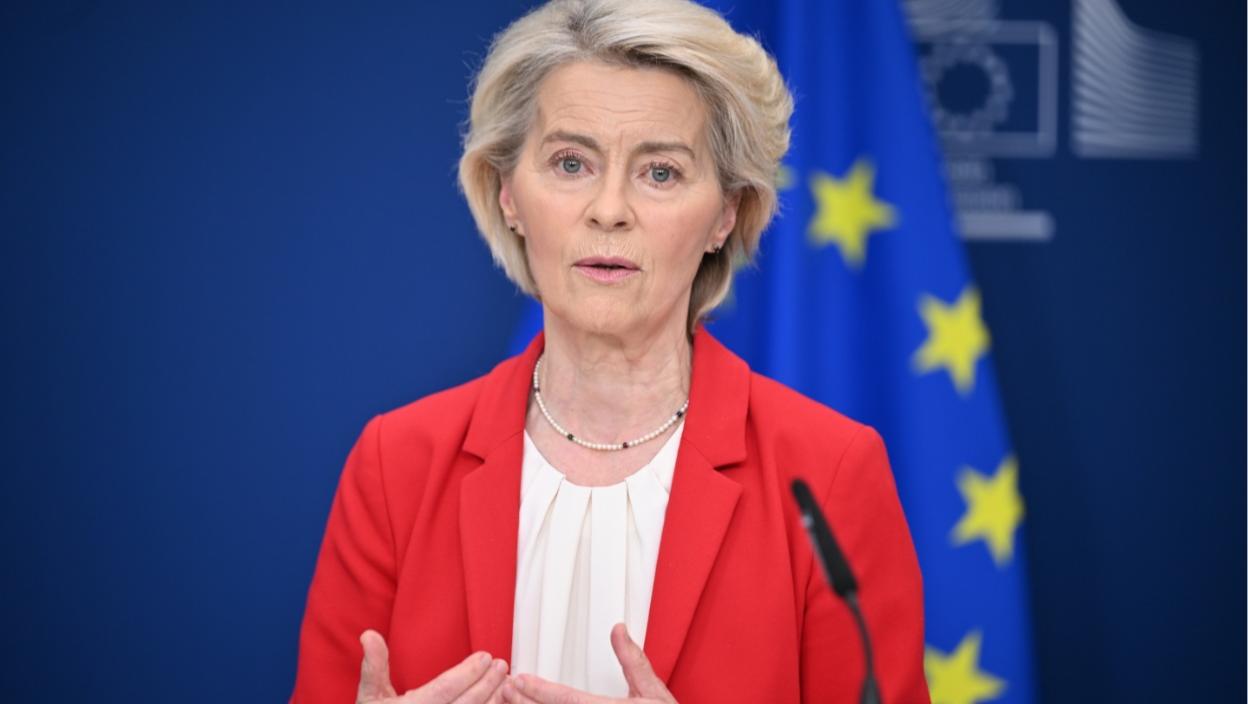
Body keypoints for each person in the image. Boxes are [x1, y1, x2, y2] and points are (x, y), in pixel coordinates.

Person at [291, 0, 929, 702]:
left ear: (727, 213)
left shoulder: (826, 475)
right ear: (508, 194)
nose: (609, 209)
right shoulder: (398, 466)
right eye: (571, 163)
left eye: (660, 172)